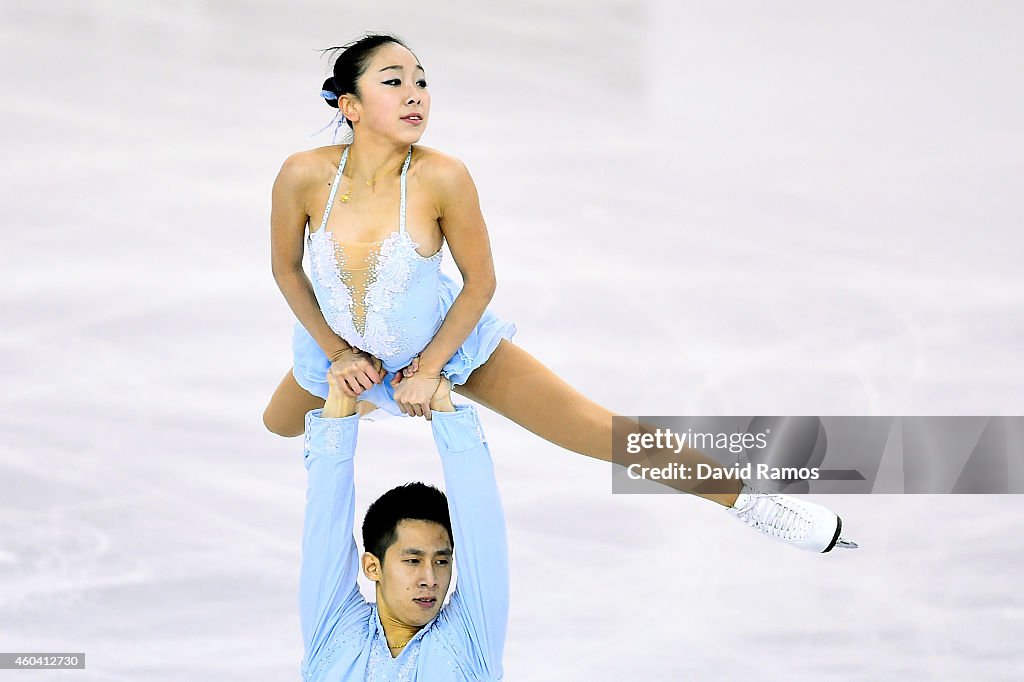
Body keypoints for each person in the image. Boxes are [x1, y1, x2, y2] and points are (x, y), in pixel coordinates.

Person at [266, 32, 856, 553]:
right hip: (343, 351)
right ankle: (377, 395)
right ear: (350, 105)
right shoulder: (304, 174)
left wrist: (430, 369)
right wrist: (340, 355)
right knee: (280, 422)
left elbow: (481, 283)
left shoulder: (443, 176)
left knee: (598, 430)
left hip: (444, 346)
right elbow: (288, 269)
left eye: (422, 81)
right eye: (393, 82)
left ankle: (752, 502)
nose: (416, 93)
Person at [299, 369, 507, 680]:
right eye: (412, 560)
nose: (430, 579)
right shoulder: (335, 630)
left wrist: (442, 404)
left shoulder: (467, 644)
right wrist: (341, 399)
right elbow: (325, 518)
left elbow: (482, 523)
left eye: (441, 561)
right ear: (373, 567)